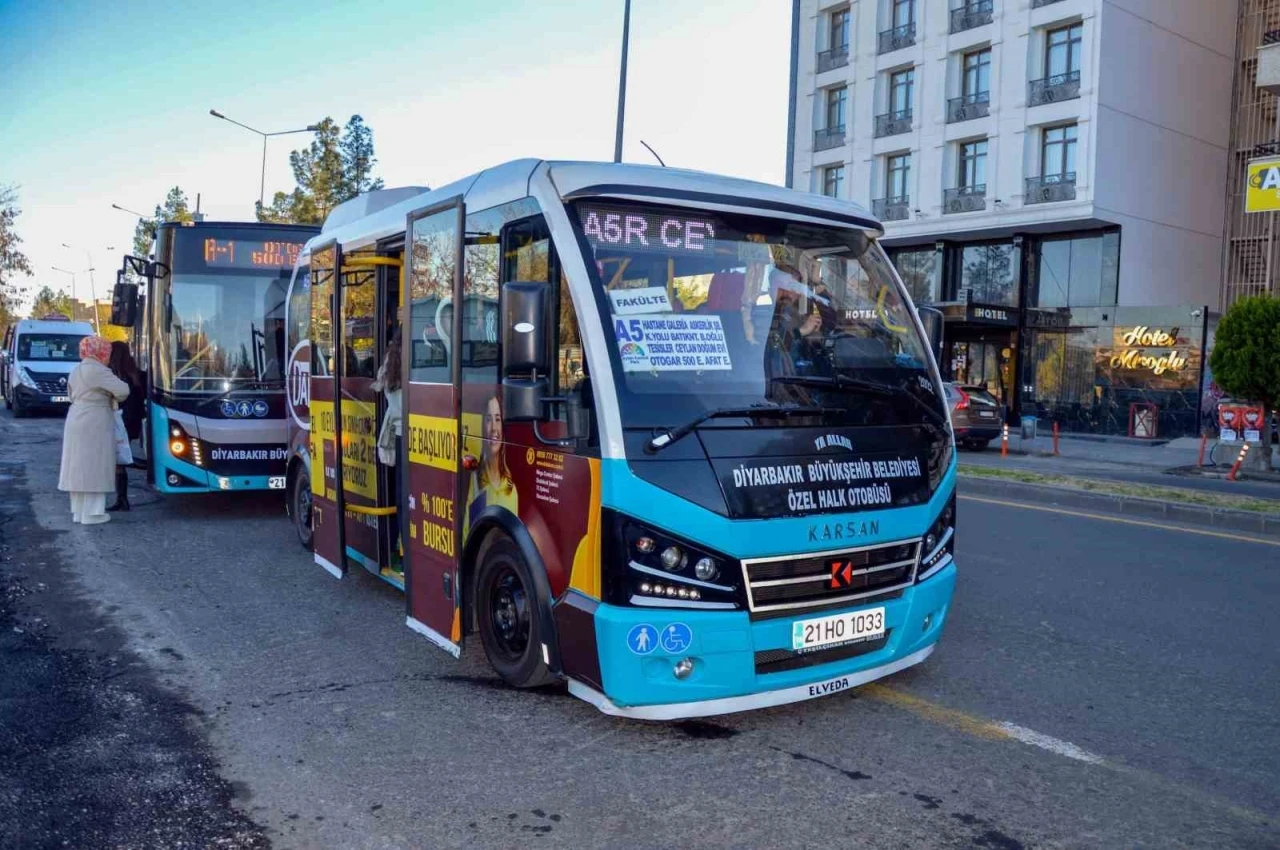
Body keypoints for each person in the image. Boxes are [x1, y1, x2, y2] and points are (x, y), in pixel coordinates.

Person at [58, 336, 130, 525]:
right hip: (96, 418)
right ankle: (93, 514)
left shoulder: (77, 369)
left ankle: (79, 512)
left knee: (78, 466)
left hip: (75, 417)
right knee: (95, 465)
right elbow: (123, 390)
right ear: (101, 352)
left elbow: (71, 394)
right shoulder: (99, 370)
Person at [462, 395, 519, 540]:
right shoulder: (476, 480)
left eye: (498, 419)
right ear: (482, 427)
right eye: (488, 420)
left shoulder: (511, 489)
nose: (494, 428)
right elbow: (466, 536)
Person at [372, 330, 403, 566]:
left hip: (396, 434)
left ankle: (396, 546)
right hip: (413, 433)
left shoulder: (389, 362)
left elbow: (377, 386)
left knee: (398, 494)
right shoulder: (418, 358)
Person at [106, 342, 144, 511]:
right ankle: (122, 499)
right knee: (119, 458)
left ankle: (122, 499)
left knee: (118, 459)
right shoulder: (134, 373)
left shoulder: (116, 375)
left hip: (120, 420)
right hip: (131, 420)